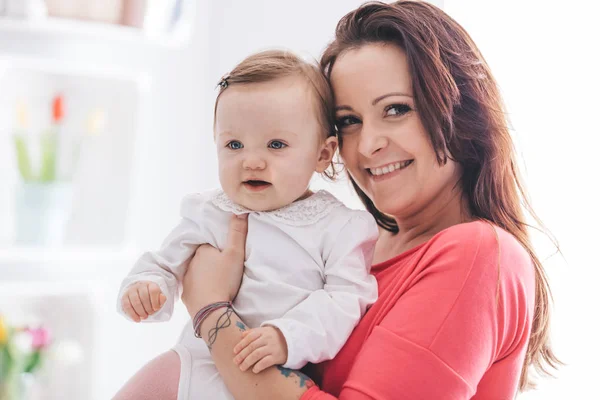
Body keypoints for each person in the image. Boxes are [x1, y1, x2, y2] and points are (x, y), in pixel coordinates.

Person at [170, 1, 561, 399]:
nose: (368, 145)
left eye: (396, 109)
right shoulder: (355, 249)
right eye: (349, 121)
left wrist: (211, 311)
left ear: (459, 109)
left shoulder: (478, 255)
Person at [113, 50, 379, 400]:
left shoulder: (340, 227)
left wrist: (288, 336)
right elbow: (165, 263)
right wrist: (147, 287)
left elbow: (345, 299)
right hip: (190, 368)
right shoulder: (209, 211)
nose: (251, 161)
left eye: (276, 145)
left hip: (269, 377)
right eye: (234, 144)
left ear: (322, 154)